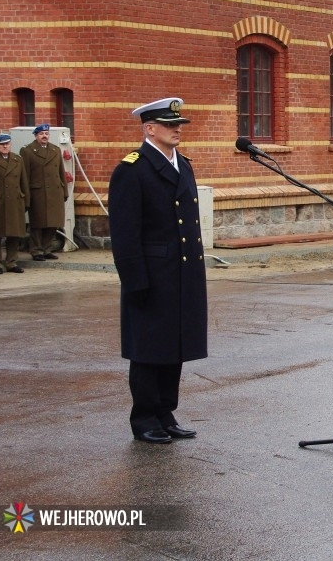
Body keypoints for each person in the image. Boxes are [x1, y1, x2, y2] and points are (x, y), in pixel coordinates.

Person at [108, 97, 207, 445]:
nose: (177, 129)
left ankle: (166, 412)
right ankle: (144, 417)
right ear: (150, 129)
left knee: (175, 347)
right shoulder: (132, 169)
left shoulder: (184, 165)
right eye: (169, 125)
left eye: (179, 124)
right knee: (149, 350)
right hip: (152, 275)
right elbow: (123, 232)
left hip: (182, 274)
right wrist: (134, 280)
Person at [21, 123, 69, 261]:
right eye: (41, 134)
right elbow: (25, 176)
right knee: (38, 223)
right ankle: (36, 250)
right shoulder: (28, 151)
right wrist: (27, 196)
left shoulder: (55, 150)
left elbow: (61, 172)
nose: (44, 136)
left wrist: (64, 191)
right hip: (38, 192)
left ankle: (47, 248)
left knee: (54, 222)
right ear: (36, 136)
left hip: (55, 191)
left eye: (46, 134)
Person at [0, 132, 29, 275]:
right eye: (2, 144)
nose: (5, 146)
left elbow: (23, 182)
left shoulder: (17, 159)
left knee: (14, 234)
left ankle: (11, 262)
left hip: (15, 201)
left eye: (7, 143)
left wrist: (26, 200)